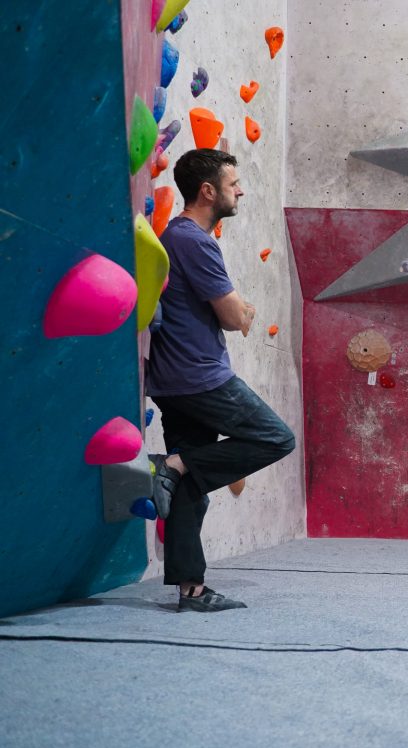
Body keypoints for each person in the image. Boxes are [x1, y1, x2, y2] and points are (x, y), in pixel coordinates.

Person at [146, 149, 296, 612]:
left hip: (172, 382)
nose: (241, 191)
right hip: (200, 377)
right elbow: (233, 317)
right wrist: (245, 309)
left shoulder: (176, 237)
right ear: (208, 191)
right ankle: (169, 465)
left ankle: (191, 589)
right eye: (234, 184)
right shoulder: (195, 241)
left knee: (191, 483)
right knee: (276, 438)